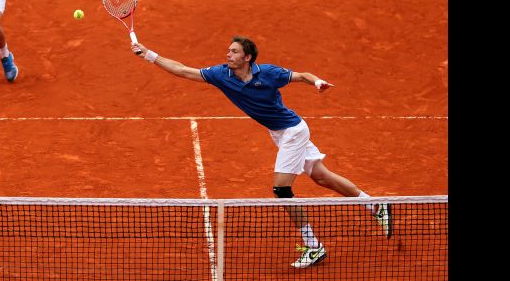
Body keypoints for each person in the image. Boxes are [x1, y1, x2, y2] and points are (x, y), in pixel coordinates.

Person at [131, 36, 392, 269]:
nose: (227, 55)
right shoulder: (222, 74)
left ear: (247, 57)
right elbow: (184, 71)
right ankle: (374, 203)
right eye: (228, 51)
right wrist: (150, 55)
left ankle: (313, 246)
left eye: (233, 52)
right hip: (280, 133)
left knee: (281, 190)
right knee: (321, 177)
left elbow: (302, 75)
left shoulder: (268, 73)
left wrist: (318, 82)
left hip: (293, 131)